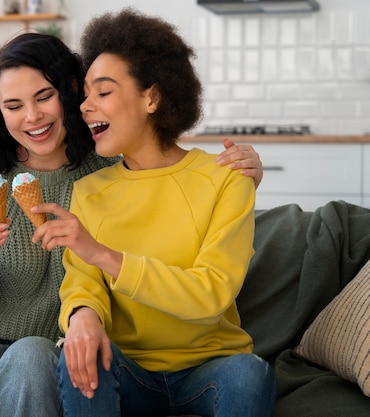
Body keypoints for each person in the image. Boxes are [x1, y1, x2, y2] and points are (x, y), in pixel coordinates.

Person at [0, 32, 265, 417]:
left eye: (43, 97)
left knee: (33, 366)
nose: (32, 117)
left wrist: (241, 173)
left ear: (69, 93)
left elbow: (159, 166)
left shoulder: (104, 176)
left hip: (36, 345)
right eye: (14, 105)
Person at [32, 8, 276, 417]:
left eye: (103, 92)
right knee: (83, 355)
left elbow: (211, 293)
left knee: (249, 374)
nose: (86, 106)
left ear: (152, 97)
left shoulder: (226, 178)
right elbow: (83, 283)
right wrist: (81, 317)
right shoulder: (89, 191)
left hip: (211, 369)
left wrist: (105, 255)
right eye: (86, 95)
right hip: (128, 371)